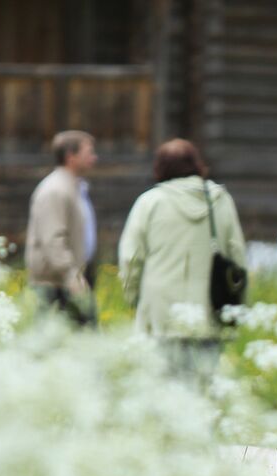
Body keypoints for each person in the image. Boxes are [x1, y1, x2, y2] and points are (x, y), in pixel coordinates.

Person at [118, 139, 247, 375]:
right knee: (203, 384)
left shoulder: (150, 202)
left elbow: (131, 258)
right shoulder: (220, 200)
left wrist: (134, 297)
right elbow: (237, 255)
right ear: (197, 164)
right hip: (209, 308)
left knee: (163, 384)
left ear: (160, 167)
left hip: (160, 310)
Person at [26, 130, 100, 328]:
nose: (94, 157)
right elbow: (53, 239)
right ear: (71, 156)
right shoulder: (55, 190)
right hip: (57, 284)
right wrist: (71, 277)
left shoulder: (72, 186)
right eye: (88, 152)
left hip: (72, 279)